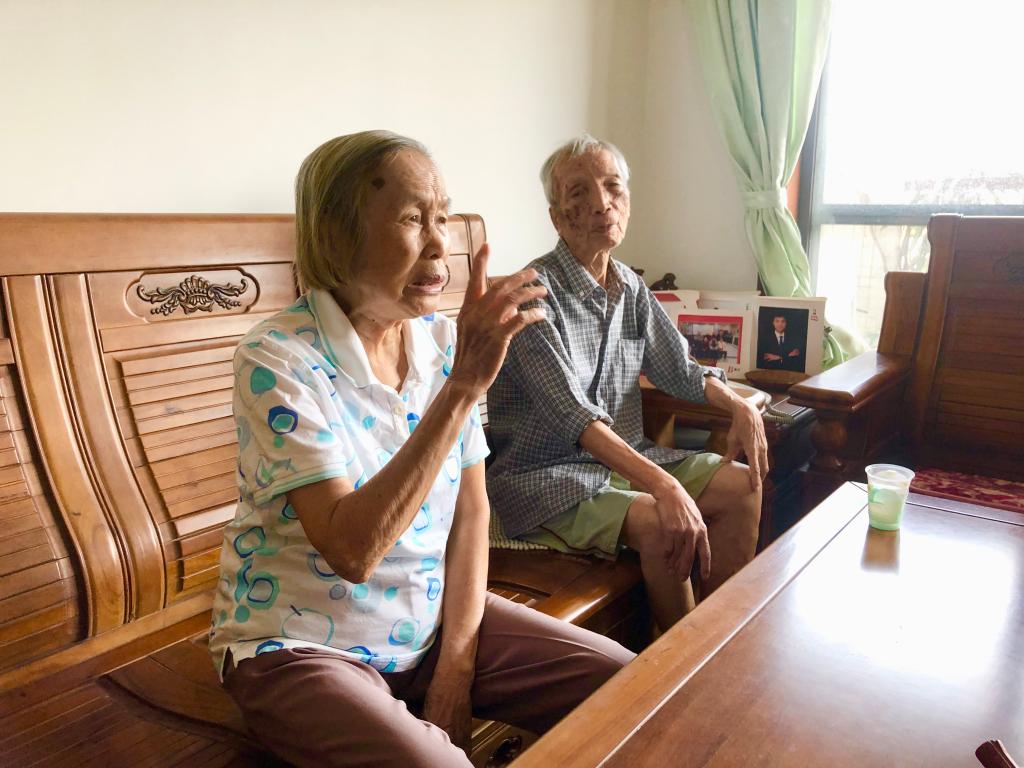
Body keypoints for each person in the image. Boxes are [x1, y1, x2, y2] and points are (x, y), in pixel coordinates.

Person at [208, 130, 634, 768]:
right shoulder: (277, 360)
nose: (440, 244)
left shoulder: (438, 341)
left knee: (630, 690)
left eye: (442, 217)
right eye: (412, 219)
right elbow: (353, 550)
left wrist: (456, 668)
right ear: (338, 234)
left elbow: (471, 513)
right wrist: (463, 388)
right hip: (300, 646)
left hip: (427, 623)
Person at [487, 134, 768, 632]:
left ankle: (718, 638)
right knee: (662, 520)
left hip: (624, 462)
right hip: (547, 479)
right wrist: (664, 485)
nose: (602, 203)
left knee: (743, 486)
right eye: (579, 193)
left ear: (628, 202)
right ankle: (679, 663)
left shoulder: (630, 286)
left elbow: (680, 369)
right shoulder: (531, 297)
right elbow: (576, 419)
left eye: (613, 187)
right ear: (557, 218)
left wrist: (738, 405)